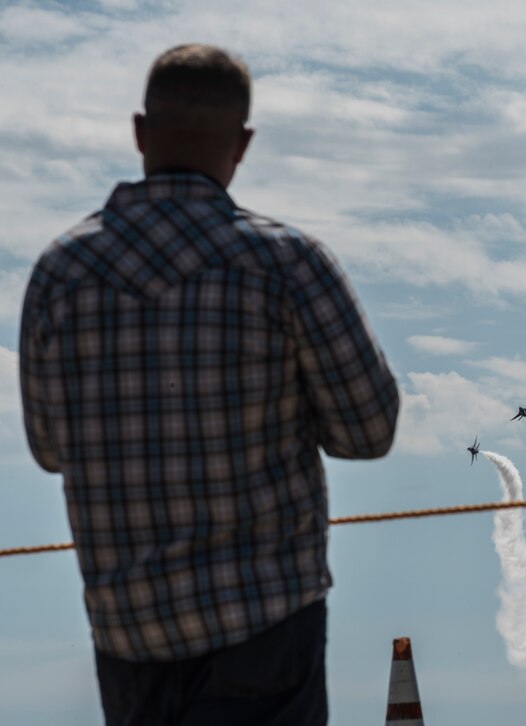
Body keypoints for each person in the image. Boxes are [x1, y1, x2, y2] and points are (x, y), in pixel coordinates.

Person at [19, 45, 400, 725]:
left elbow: (49, 449)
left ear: (140, 132)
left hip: (128, 639)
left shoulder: (60, 273)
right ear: (243, 144)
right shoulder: (286, 263)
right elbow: (369, 430)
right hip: (264, 626)